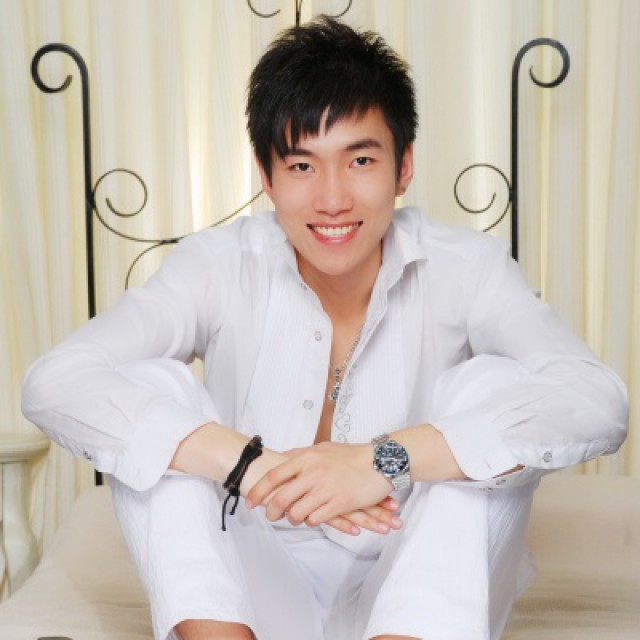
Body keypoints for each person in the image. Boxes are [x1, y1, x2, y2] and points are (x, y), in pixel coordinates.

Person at [22, 16, 627, 640]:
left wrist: (386, 459)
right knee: (154, 391)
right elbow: (55, 382)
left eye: (360, 160)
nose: (332, 199)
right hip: (250, 595)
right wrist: (247, 463)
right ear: (267, 177)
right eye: (302, 166)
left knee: (491, 390)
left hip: (415, 587)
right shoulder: (216, 264)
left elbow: (596, 400)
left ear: (404, 165)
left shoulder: (468, 268)